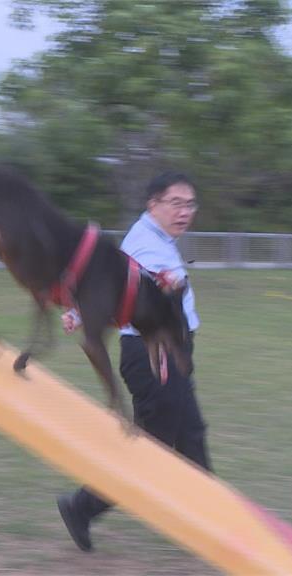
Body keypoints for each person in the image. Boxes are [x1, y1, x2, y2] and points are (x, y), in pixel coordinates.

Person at [56, 171, 212, 552]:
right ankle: (82, 507)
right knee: (152, 452)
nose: (184, 212)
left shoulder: (157, 238)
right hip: (153, 355)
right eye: (175, 203)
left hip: (168, 352)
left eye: (190, 204)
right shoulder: (146, 244)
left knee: (191, 435)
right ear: (153, 204)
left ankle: (210, 522)